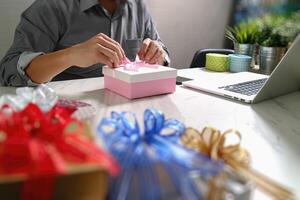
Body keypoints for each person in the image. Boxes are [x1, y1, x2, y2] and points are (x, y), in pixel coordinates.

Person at [0, 0, 170, 86]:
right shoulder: (53, 6)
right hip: (65, 120)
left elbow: (162, 53)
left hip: (127, 114)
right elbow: (9, 71)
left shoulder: (139, 6)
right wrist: (70, 56)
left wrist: (159, 54)